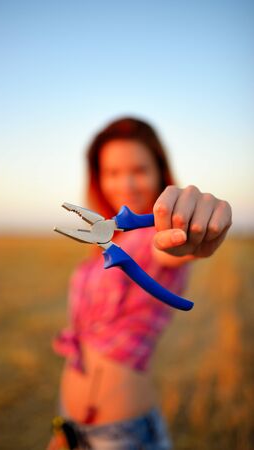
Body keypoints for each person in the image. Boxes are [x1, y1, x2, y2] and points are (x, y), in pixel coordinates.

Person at [47, 117, 232, 449]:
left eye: (139, 170)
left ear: (161, 172)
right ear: (98, 178)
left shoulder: (158, 237)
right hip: (71, 427)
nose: (126, 183)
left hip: (125, 437)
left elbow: (175, 249)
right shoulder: (108, 243)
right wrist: (62, 434)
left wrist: (198, 225)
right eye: (113, 173)